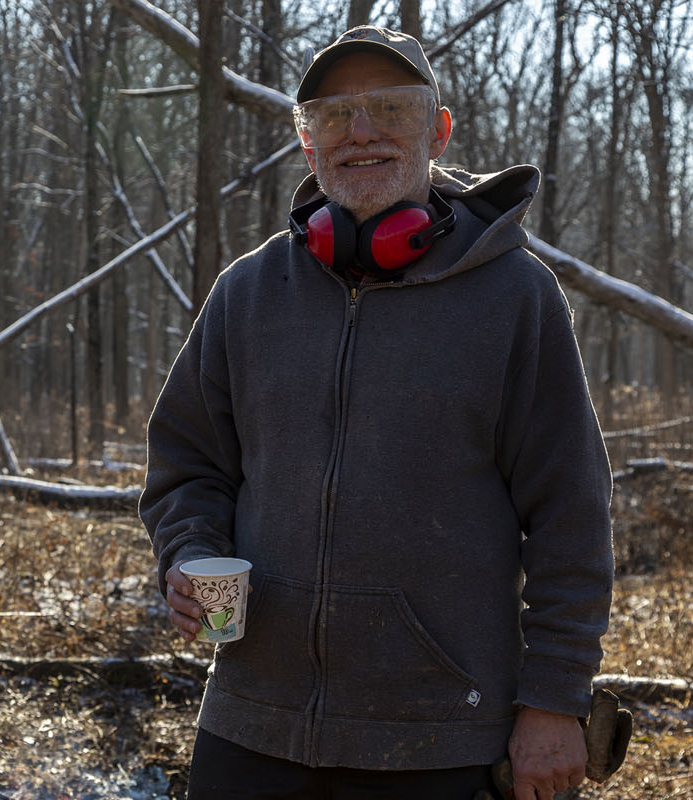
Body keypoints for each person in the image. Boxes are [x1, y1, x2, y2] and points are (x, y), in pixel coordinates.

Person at [139, 25, 614, 800]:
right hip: (252, 725)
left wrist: (556, 701)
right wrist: (188, 553)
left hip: (442, 738)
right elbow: (187, 466)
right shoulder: (248, 293)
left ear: (439, 128)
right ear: (306, 143)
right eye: (333, 116)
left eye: (391, 109)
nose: (361, 134)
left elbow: (572, 517)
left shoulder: (515, 299)